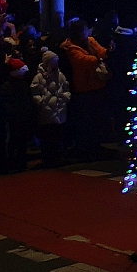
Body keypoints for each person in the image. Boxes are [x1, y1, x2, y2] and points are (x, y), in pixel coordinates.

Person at [60, 19, 110, 161]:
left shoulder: (90, 41)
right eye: (85, 30)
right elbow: (82, 60)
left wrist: (107, 51)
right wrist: (98, 58)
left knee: (96, 119)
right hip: (83, 88)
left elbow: (101, 52)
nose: (88, 32)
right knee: (85, 121)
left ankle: (95, 146)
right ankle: (85, 148)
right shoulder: (69, 47)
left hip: (97, 85)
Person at [30, 49, 71, 166]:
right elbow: (35, 93)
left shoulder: (60, 75)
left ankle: (58, 157)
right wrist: (42, 102)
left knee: (58, 135)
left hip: (59, 110)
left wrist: (64, 98)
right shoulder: (39, 77)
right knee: (48, 136)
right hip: (46, 112)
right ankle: (48, 158)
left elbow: (66, 88)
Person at [0, 58, 35, 173]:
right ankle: (12, 163)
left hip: (22, 117)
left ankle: (20, 162)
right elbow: (6, 103)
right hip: (15, 119)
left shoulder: (22, 84)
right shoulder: (8, 86)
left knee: (21, 141)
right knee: (14, 141)